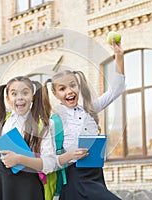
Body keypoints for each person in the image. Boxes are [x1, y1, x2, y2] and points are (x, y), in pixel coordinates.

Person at [0, 38, 57, 200]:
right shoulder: (3, 117)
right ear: (7, 98)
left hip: (29, 186)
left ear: (32, 97)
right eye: (14, 93)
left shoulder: (46, 124)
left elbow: (50, 164)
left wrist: (19, 159)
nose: (19, 97)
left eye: (25, 92)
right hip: (2, 181)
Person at [47, 38, 125, 200]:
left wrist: (119, 57)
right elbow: (48, 159)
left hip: (95, 174)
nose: (69, 91)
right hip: (75, 178)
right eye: (62, 89)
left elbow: (116, 90)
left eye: (72, 85)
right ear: (55, 94)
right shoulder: (55, 121)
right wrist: (70, 155)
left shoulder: (89, 109)